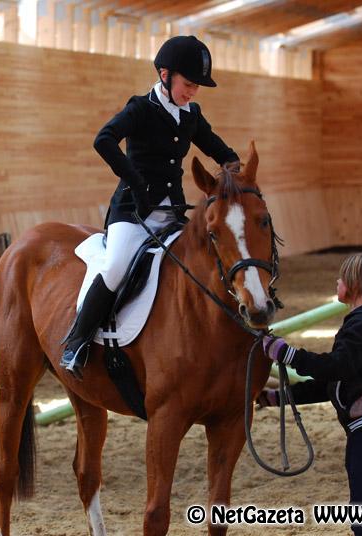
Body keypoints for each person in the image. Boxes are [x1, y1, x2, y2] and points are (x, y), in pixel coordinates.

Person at [60, 35, 241, 379]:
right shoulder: (141, 109)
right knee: (116, 267)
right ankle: (77, 342)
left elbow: (220, 150)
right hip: (132, 213)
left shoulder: (191, 115)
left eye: (197, 87)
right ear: (165, 75)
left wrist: (234, 171)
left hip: (172, 215)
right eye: (188, 84)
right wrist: (134, 179)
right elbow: (103, 139)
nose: (192, 92)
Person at [259, 252, 362, 536]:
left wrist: (288, 354)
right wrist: (278, 398)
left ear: (356, 284)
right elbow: (333, 382)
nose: (337, 281)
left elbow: (334, 367)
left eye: (342, 277)